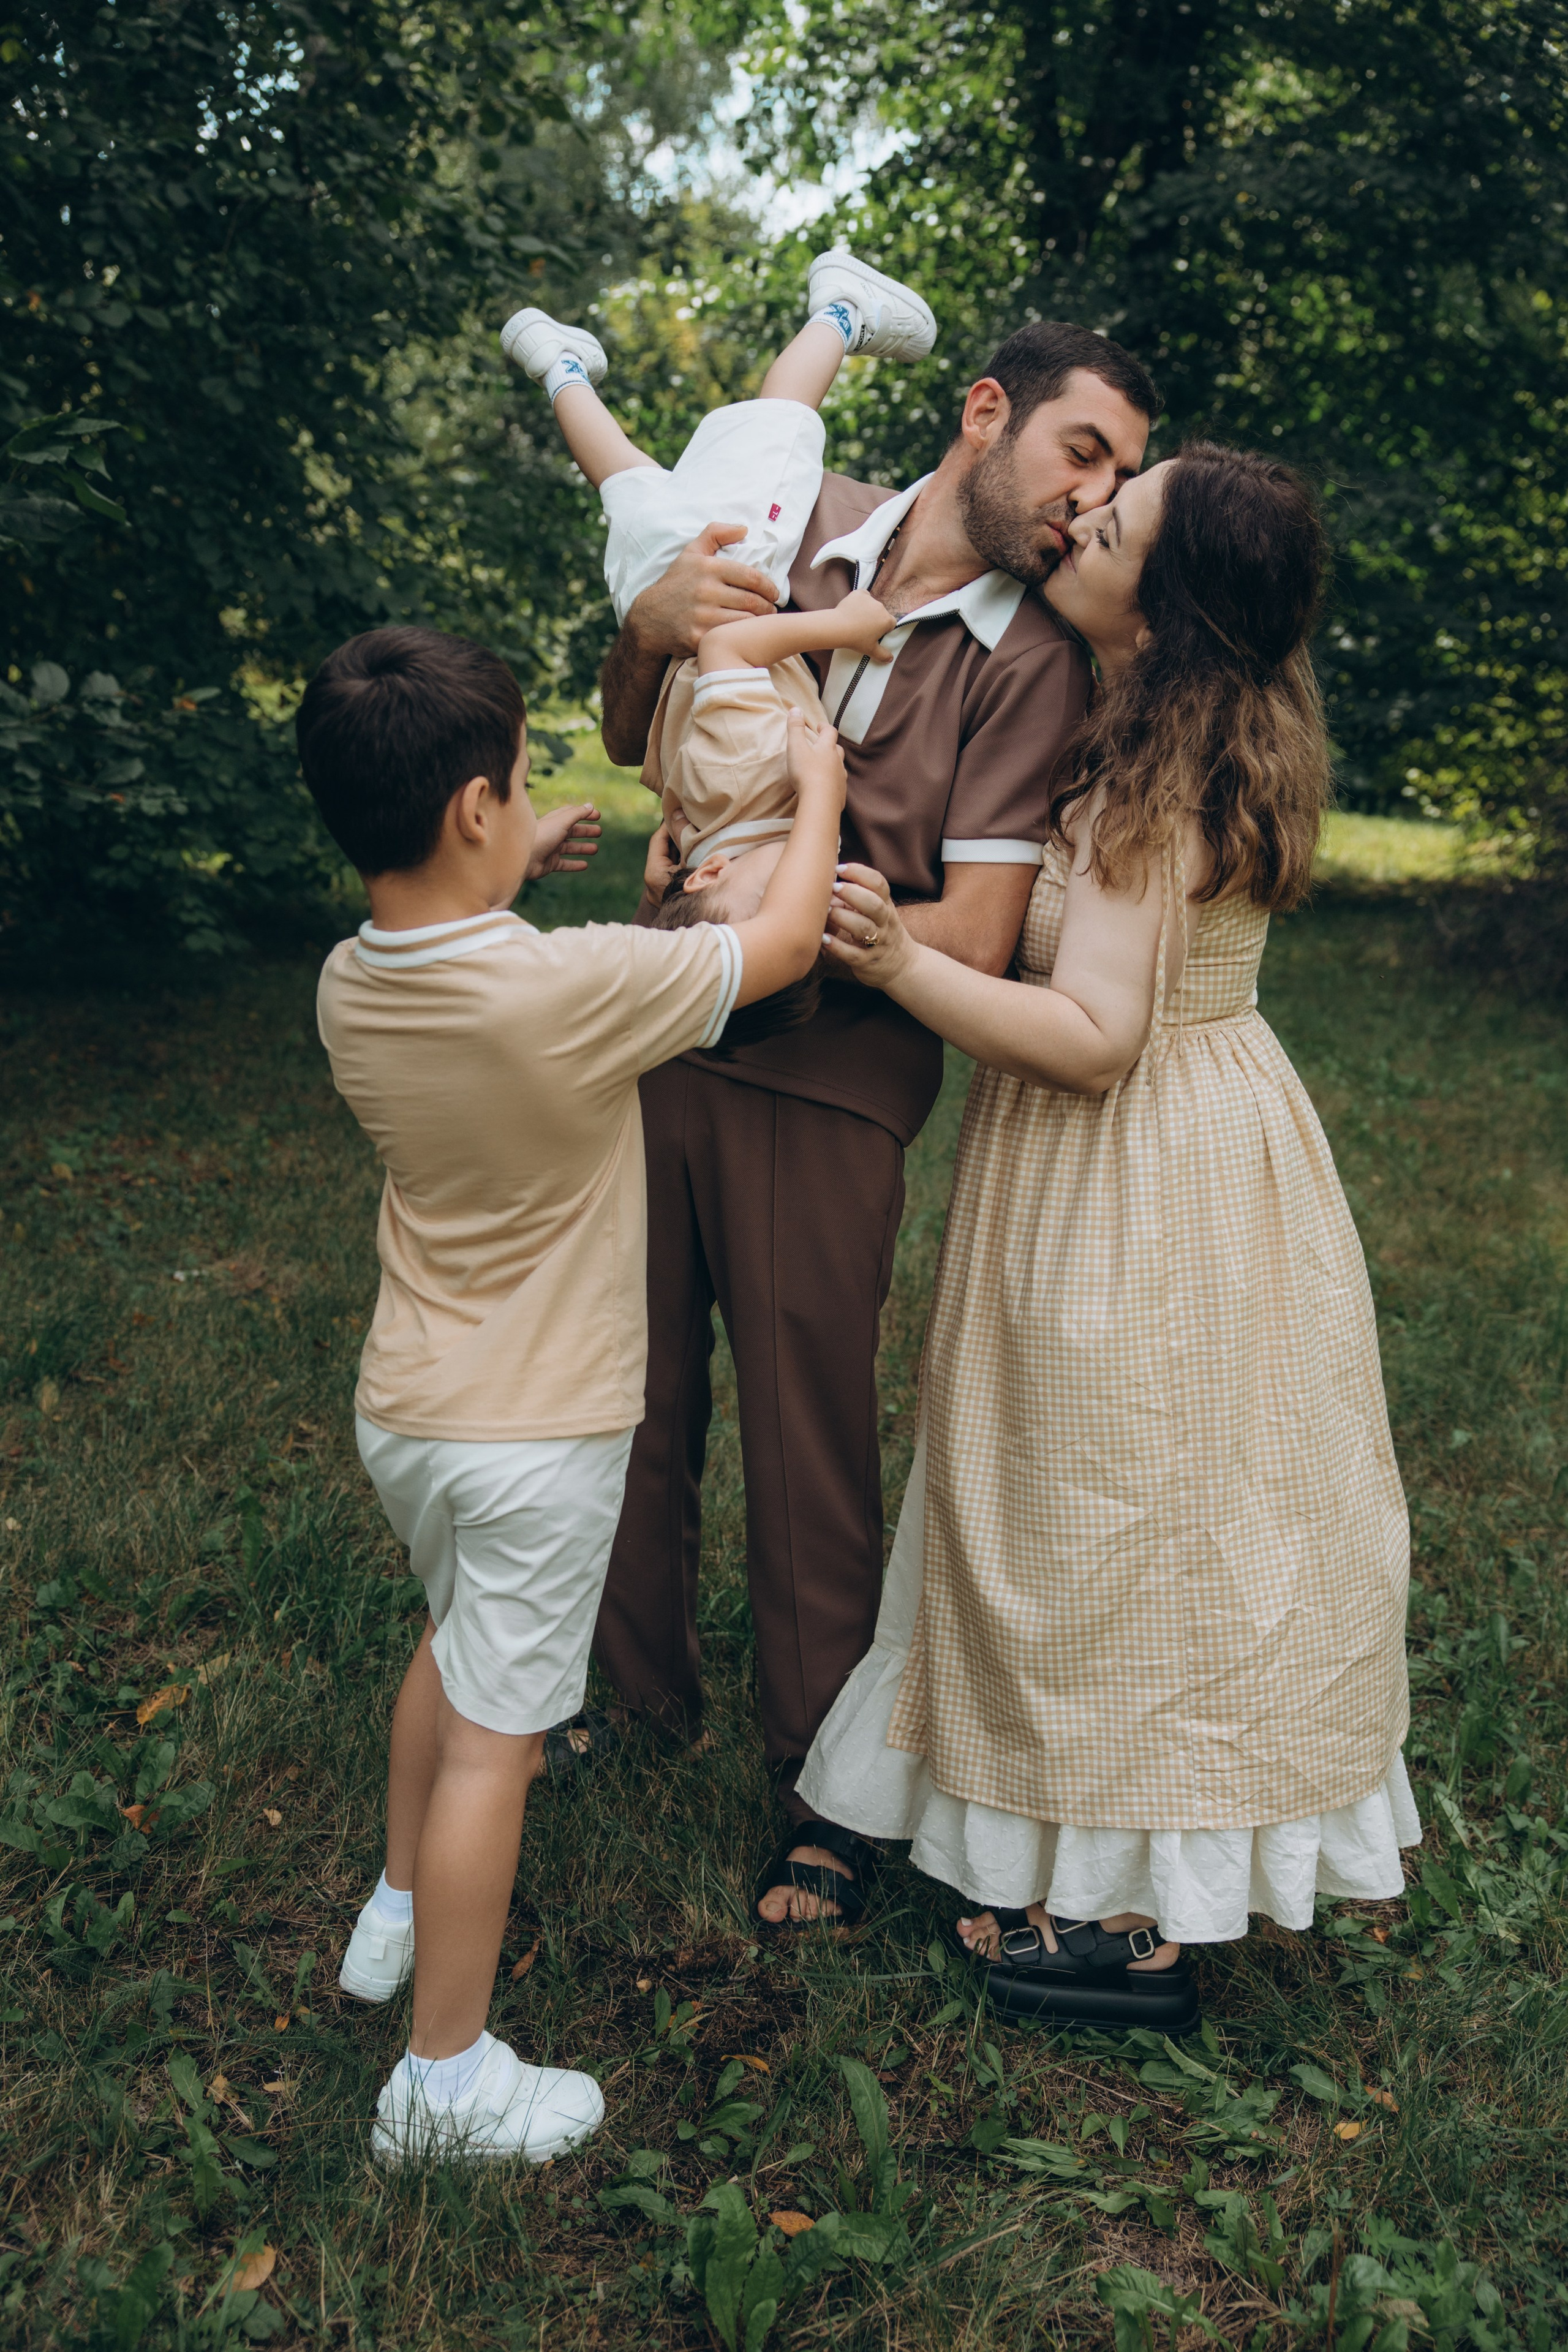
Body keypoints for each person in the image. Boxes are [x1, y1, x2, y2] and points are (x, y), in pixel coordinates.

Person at [801, 442, 1418, 2029]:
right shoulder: (1183, 727)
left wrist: (896, 966)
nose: (1080, 520)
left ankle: (1122, 1919)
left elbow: (1093, 1034)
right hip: (1202, 1151)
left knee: (1110, 1513)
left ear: (1174, 599)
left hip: (1134, 1167)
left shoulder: (1160, 775)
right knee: (1151, 1508)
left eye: (1117, 521)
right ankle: (1110, 1858)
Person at [580, 281, 1161, 1927]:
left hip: (833, 1072)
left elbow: (972, 939)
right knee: (625, 1385)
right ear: (987, 411)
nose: (1087, 500)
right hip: (653, 1016)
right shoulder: (792, 518)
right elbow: (645, 734)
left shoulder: (1036, 663)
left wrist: (777, 887)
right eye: (1079, 450)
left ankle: (819, 1780)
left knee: (804, 1419)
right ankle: (623, 1699)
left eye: (1114, 482)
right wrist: (652, 624)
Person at [303, 624, 846, 2160]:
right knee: (500, 1738)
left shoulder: (351, 986)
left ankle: (394, 1910)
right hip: (539, 1430)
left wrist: (523, 850)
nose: (536, 796)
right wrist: (813, 787)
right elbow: (787, 943)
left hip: (411, 1407)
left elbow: (456, 934)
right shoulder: (576, 987)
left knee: (451, 1644)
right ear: (472, 805)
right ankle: (445, 2080)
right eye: (522, 780)